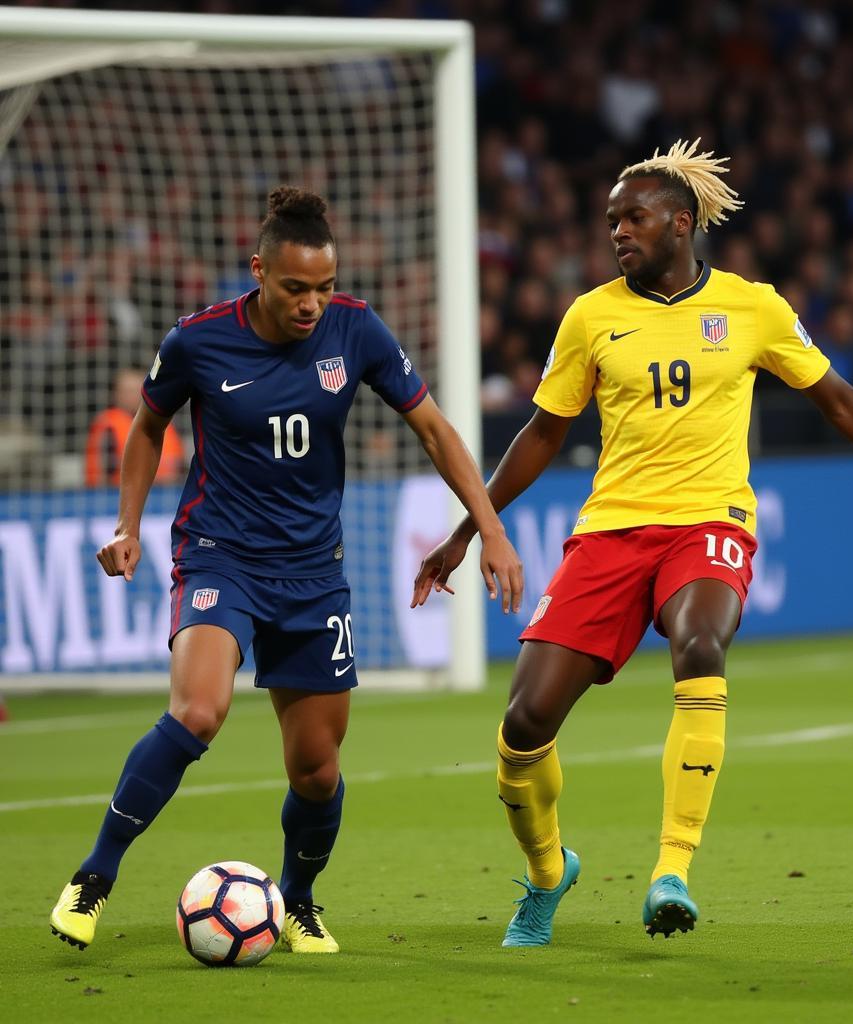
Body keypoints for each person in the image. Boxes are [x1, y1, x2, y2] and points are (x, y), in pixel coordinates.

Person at [413, 140, 853, 947]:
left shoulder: (752, 307)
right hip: (609, 533)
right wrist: (468, 529)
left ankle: (672, 871)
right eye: (610, 221)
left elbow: (839, 401)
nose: (618, 232)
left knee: (700, 643)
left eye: (634, 217)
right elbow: (542, 433)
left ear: (682, 222)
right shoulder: (591, 315)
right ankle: (551, 872)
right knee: (524, 724)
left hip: (710, 522)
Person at [50, 186, 523, 955]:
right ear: (259, 272)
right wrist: (126, 525)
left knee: (316, 770)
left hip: (313, 575)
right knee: (199, 711)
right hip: (220, 555)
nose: (312, 304)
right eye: (296, 288)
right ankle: (93, 878)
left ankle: (296, 901)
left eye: (325, 287)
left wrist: (489, 532)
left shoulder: (356, 330)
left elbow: (434, 429)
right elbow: (146, 427)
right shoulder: (199, 340)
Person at [84, 367, 185, 487]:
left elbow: (181, 466)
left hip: (166, 493)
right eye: (126, 391)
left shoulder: (166, 422)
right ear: (116, 394)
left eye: (134, 390)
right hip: (117, 494)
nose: (131, 396)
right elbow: (100, 473)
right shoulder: (109, 426)